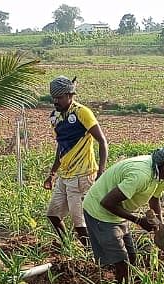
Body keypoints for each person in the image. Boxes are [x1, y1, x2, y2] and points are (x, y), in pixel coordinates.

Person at [82, 145, 164, 281]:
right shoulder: (141, 175)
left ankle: (124, 283)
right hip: (100, 212)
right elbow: (107, 202)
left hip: (117, 212)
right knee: (122, 262)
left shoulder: (159, 174)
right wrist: (138, 221)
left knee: (132, 258)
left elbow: (154, 199)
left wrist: (161, 226)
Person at [43, 76, 108, 246]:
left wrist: (101, 172)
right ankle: (68, 247)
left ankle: (91, 255)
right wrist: (52, 173)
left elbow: (102, 141)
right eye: (54, 97)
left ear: (70, 95)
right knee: (53, 215)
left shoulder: (82, 113)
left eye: (60, 97)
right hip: (65, 176)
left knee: (80, 223)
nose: (56, 101)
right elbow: (61, 146)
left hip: (82, 175)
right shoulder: (55, 117)